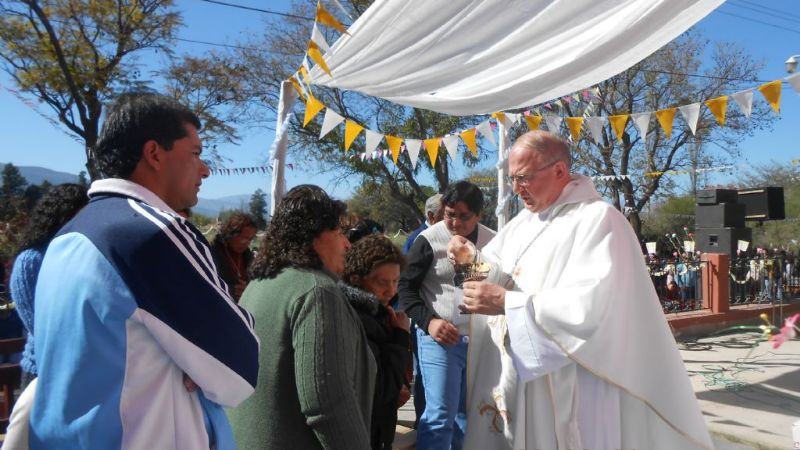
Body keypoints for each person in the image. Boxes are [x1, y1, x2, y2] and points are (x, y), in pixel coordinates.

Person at [23, 93, 259, 449]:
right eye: (195, 153)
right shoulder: (151, 233)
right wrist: (196, 364)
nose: (206, 168)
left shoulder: (68, 235)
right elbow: (239, 367)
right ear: (154, 153)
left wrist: (195, 363)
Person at [449, 130, 712, 449]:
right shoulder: (523, 223)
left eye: (524, 178)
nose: (516, 189)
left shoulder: (599, 220)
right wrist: (470, 260)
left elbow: (591, 306)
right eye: (513, 179)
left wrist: (510, 304)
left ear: (559, 171)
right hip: (521, 373)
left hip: (573, 377)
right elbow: (498, 273)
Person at [228, 184, 376, 450]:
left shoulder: (260, 283)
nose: (346, 243)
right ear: (312, 235)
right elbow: (327, 403)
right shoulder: (317, 291)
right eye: (339, 231)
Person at [398, 181, 495, 450]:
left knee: (470, 417)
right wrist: (429, 322)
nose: (455, 222)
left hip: (479, 342)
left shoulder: (493, 241)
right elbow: (405, 289)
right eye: (450, 214)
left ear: (479, 215)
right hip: (440, 340)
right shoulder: (428, 240)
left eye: (464, 216)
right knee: (440, 416)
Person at [10, 183, 88, 390]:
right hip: (43, 370)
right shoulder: (31, 260)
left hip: (82, 367)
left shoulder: (84, 254)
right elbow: (38, 324)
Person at [340, 234, 411, 450]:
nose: (392, 291)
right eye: (382, 283)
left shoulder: (378, 314)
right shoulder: (356, 319)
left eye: (396, 281)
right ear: (357, 278)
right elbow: (380, 390)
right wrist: (400, 337)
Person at [210, 212, 257, 301]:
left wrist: (249, 288)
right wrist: (230, 290)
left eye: (250, 239)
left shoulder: (248, 257)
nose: (246, 243)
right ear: (231, 233)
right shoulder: (212, 253)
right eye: (243, 238)